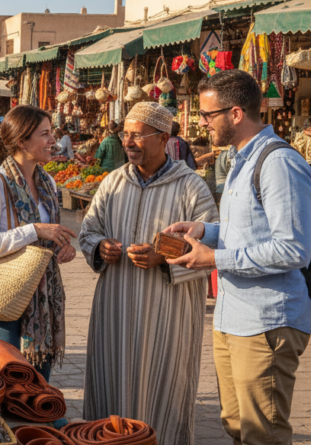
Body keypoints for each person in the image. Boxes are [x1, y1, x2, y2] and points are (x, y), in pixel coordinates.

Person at [165, 70, 311, 445]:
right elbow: (249, 232)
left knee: (261, 433)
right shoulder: (239, 160)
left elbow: (293, 248)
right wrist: (205, 232)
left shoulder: (279, 163)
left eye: (207, 115)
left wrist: (213, 259)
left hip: (266, 320)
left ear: (235, 114)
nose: (201, 123)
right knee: (237, 426)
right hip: (233, 317)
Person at [77, 102, 218, 445]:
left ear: (164, 139)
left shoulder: (190, 187)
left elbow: (212, 245)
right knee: (111, 381)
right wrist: (100, 247)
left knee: (165, 386)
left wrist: (164, 256)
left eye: (138, 135)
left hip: (168, 311)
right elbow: (87, 231)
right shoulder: (112, 183)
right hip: (116, 306)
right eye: (125, 134)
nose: (129, 142)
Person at [0, 105, 76, 382]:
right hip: (7, 299)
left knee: (38, 384)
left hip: (43, 299)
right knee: (8, 385)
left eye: (51, 133)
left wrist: (63, 247)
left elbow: (47, 236)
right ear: (21, 141)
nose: (53, 140)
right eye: (45, 134)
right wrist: (34, 230)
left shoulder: (48, 183)